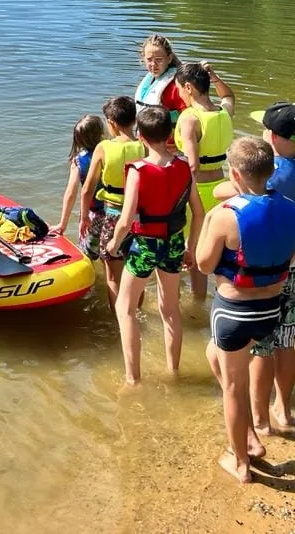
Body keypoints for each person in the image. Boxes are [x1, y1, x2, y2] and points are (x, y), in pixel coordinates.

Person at [196, 136, 295, 483]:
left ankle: (240, 461)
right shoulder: (289, 208)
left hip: (234, 311)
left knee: (233, 388)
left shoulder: (226, 217)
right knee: (215, 356)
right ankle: (252, 435)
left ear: (235, 174)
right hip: (271, 309)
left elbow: (204, 265)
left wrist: (209, 220)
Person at [105, 107, 203, 384]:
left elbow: (125, 221)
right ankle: (174, 371)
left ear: (140, 136)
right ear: (170, 135)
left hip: (145, 245)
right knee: (170, 309)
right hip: (173, 244)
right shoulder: (184, 167)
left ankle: (132, 378)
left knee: (125, 308)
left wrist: (113, 245)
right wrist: (191, 247)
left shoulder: (138, 170)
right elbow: (199, 212)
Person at [246, 102, 295, 434]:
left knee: (262, 345)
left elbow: (237, 198)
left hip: (266, 269)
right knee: (286, 340)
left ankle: (260, 419)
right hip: (293, 262)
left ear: (273, 136)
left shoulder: (272, 175)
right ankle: (284, 409)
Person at [176, 61, 235, 300]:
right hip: (222, 188)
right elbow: (229, 95)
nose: (179, 92)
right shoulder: (224, 111)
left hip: (197, 190)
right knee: (218, 248)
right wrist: (215, 76)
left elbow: (192, 165)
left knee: (197, 249)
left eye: (180, 87)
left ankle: (198, 300)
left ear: (189, 87)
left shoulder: (191, 118)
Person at [78, 96, 142, 307]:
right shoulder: (145, 146)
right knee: (136, 272)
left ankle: (118, 320)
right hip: (140, 217)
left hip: (113, 216)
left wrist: (83, 217)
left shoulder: (104, 147)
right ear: (134, 119)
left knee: (113, 276)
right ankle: (136, 313)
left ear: (111, 123)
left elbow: (87, 189)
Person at [49, 114, 106, 238]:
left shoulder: (78, 161)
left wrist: (62, 224)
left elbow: (71, 193)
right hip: (114, 211)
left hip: (91, 215)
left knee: (89, 254)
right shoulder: (110, 154)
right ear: (102, 133)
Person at [134, 34, 186, 125]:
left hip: (166, 137)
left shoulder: (176, 86)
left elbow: (187, 114)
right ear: (143, 59)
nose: (153, 64)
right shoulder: (149, 81)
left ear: (169, 59)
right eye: (149, 60)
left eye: (158, 60)